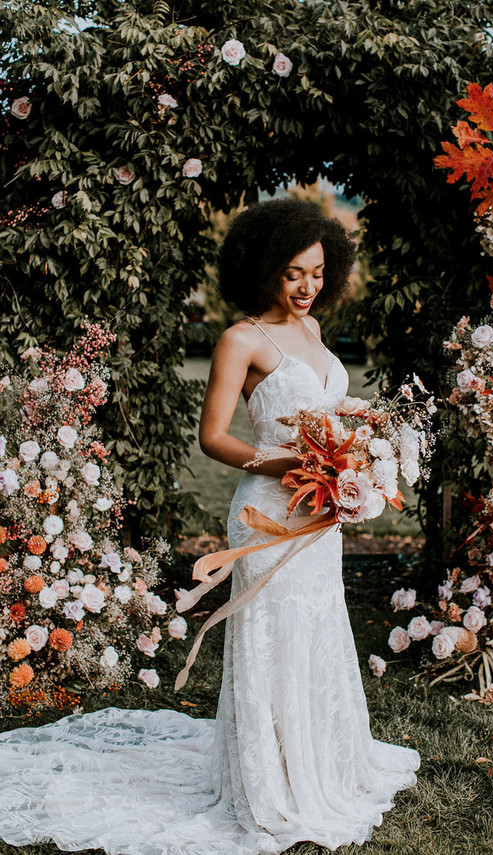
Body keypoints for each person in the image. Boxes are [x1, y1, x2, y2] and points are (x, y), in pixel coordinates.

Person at [0, 198, 419, 855]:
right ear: (262, 272)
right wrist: (286, 459)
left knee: (314, 627)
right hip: (268, 511)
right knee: (272, 635)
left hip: (320, 516)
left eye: (316, 271)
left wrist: (353, 463)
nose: (307, 286)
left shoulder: (316, 337)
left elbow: (334, 416)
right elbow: (212, 437)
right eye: (291, 273)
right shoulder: (242, 338)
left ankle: (318, 765)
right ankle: (268, 785)